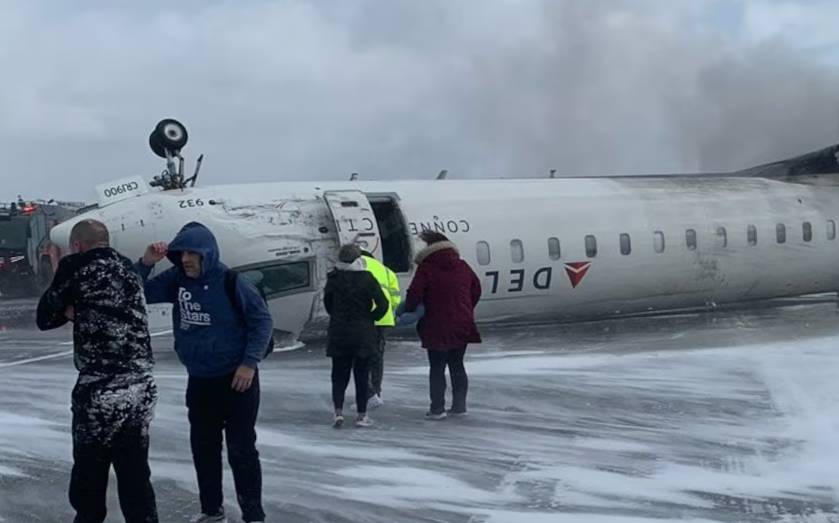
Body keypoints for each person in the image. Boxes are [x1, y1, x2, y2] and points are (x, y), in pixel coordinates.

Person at [135, 222, 273, 523]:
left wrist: (249, 363)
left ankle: (254, 515)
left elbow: (262, 322)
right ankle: (212, 510)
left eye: (192, 253)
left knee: (241, 451)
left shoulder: (233, 282)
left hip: (237, 380)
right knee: (203, 449)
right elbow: (138, 293)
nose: (185, 259)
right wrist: (146, 263)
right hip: (199, 380)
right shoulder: (178, 279)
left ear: (206, 254)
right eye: (181, 253)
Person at [35, 219, 159, 523]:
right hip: (141, 385)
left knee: (90, 475)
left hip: (100, 386)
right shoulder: (128, 268)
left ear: (77, 245)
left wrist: (67, 308)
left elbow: (44, 317)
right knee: (135, 472)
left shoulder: (76, 265)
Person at [401, 230, 482, 420]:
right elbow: (476, 288)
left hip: (436, 325)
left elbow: (415, 293)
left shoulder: (427, 268)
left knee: (437, 367)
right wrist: (466, 309)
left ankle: (437, 409)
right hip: (462, 324)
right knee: (457, 364)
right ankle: (459, 406)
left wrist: (410, 310)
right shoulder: (462, 265)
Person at [323, 244, 389, 428]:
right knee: (361, 374)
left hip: (339, 332)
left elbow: (328, 303)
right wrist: (371, 318)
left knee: (339, 375)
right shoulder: (367, 278)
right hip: (363, 333)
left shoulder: (333, 278)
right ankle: (361, 415)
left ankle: (337, 413)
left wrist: (337, 317)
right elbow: (382, 304)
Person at [358, 248, 401, 410]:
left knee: (361, 358)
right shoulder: (387, 271)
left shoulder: (359, 267)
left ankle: (367, 394)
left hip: (364, 318)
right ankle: (376, 391)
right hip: (384, 318)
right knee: (377, 358)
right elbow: (396, 298)